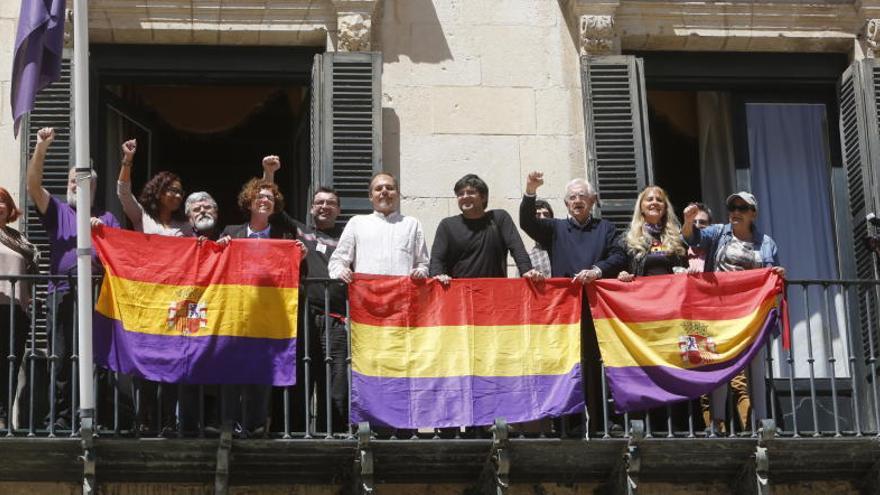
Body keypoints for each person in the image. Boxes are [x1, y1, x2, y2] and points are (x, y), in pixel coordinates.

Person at [26, 127, 120, 431]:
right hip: (63, 291)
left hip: (100, 296)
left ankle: (96, 417)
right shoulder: (57, 211)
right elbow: (33, 186)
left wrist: (102, 234)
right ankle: (63, 417)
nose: (76, 186)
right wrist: (42, 147)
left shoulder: (107, 218)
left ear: (93, 188)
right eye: (71, 181)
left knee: (98, 358)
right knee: (63, 356)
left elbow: (121, 256)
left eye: (83, 183)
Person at [519, 171, 625, 434]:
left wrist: (597, 271)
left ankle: (602, 422)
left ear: (593, 201)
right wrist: (530, 191)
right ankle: (572, 423)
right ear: (566, 203)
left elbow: (620, 254)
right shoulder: (554, 228)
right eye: (572, 197)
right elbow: (527, 223)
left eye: (583, 196)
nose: (577, 200)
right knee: (569, 363)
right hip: (565, 310)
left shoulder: (606, 228)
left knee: (596, 362)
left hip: (597, 307)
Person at [682, 192, 786, 433]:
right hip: (720, 311)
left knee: (756, 365)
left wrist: (779, 274)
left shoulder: (767, 243)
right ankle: (718, 422)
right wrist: (688, 221)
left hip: (752, 312)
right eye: (732, 207)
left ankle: (762, 423)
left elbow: (775, 277)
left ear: (753, 214)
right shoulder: (718, 232)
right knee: (719, 360)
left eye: (742, 207)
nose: (735, 212)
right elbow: (692, 239)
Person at [262, 155, 348, 434]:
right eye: (320, 203)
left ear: (339, 209)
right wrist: (269, 173)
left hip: (337, 319)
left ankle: (331, 434)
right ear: (312, 208)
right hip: (302, 316)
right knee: (299, 374)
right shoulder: (299, 230)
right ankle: (294, 433)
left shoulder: (348, 238)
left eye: (330, 203)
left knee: (335, 379)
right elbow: (269, 207)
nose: (325, 207)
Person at [217, 177, 306, 436]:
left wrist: (301, 258)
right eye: (260, 196)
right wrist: (219, 248)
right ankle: (228, 424)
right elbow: (215, 268)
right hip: (236, 315)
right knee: (232, 371)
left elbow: (300, 276)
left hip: (268, 316)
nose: (265, 200)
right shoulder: (231, 232)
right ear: (249, 202)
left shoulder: (284, 236)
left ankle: (256, 425)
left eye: (269, 197)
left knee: (262, 372)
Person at [430, 174, 541, 283]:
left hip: (494, 294)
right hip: (460, 296)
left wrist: (527, 270)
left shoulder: (499, 218)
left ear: (483, 197)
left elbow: (517, 248)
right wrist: (437, 275)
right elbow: (437, 260)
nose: (464, 197)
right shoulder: (447, 225)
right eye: (460, 194)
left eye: (470, 192)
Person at [328, 172, 429, 283]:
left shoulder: (412, 224)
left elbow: (423, 263)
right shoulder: (356, 223)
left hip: (401, 296)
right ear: (371, 196)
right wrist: (342, 271)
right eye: (378, 188)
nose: (384, 191)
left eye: (390, 188)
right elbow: (338, 260)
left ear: (398, 194)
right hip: (367, 295)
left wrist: (420, 272)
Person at [0, 187, 39, 430]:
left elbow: (32, 269)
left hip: (16, 311)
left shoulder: (20, 240)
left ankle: (3, 416)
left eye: (3, 201)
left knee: (10, 365)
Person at [116, 139, 189, 236]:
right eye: (174, 190)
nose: (178, 195)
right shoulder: (141, 216)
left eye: (181, 192)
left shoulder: (186, 226)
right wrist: (128, 158)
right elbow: (123, 192)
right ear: (159, 192)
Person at [616, 186, 688, 282]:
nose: (655, 202)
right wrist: (622, 273)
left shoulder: (676, 238)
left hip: (672, 294)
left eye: (659, 200)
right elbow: (618, 266)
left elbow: (686, 267)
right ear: (641, 208)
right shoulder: (627, 240)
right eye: (649, 199)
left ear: (665, 209)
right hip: (643, 294)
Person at [528, 200, 554, 277]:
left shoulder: (564, 248)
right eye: (538, 214)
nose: (542, 217)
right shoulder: (529, 258)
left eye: (546, 214)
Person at [686, 203, 712, 273]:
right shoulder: (679, 249)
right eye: (693, 222)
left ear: (710, 226)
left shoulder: (716, 251)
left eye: (702, 222)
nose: (697, 226)